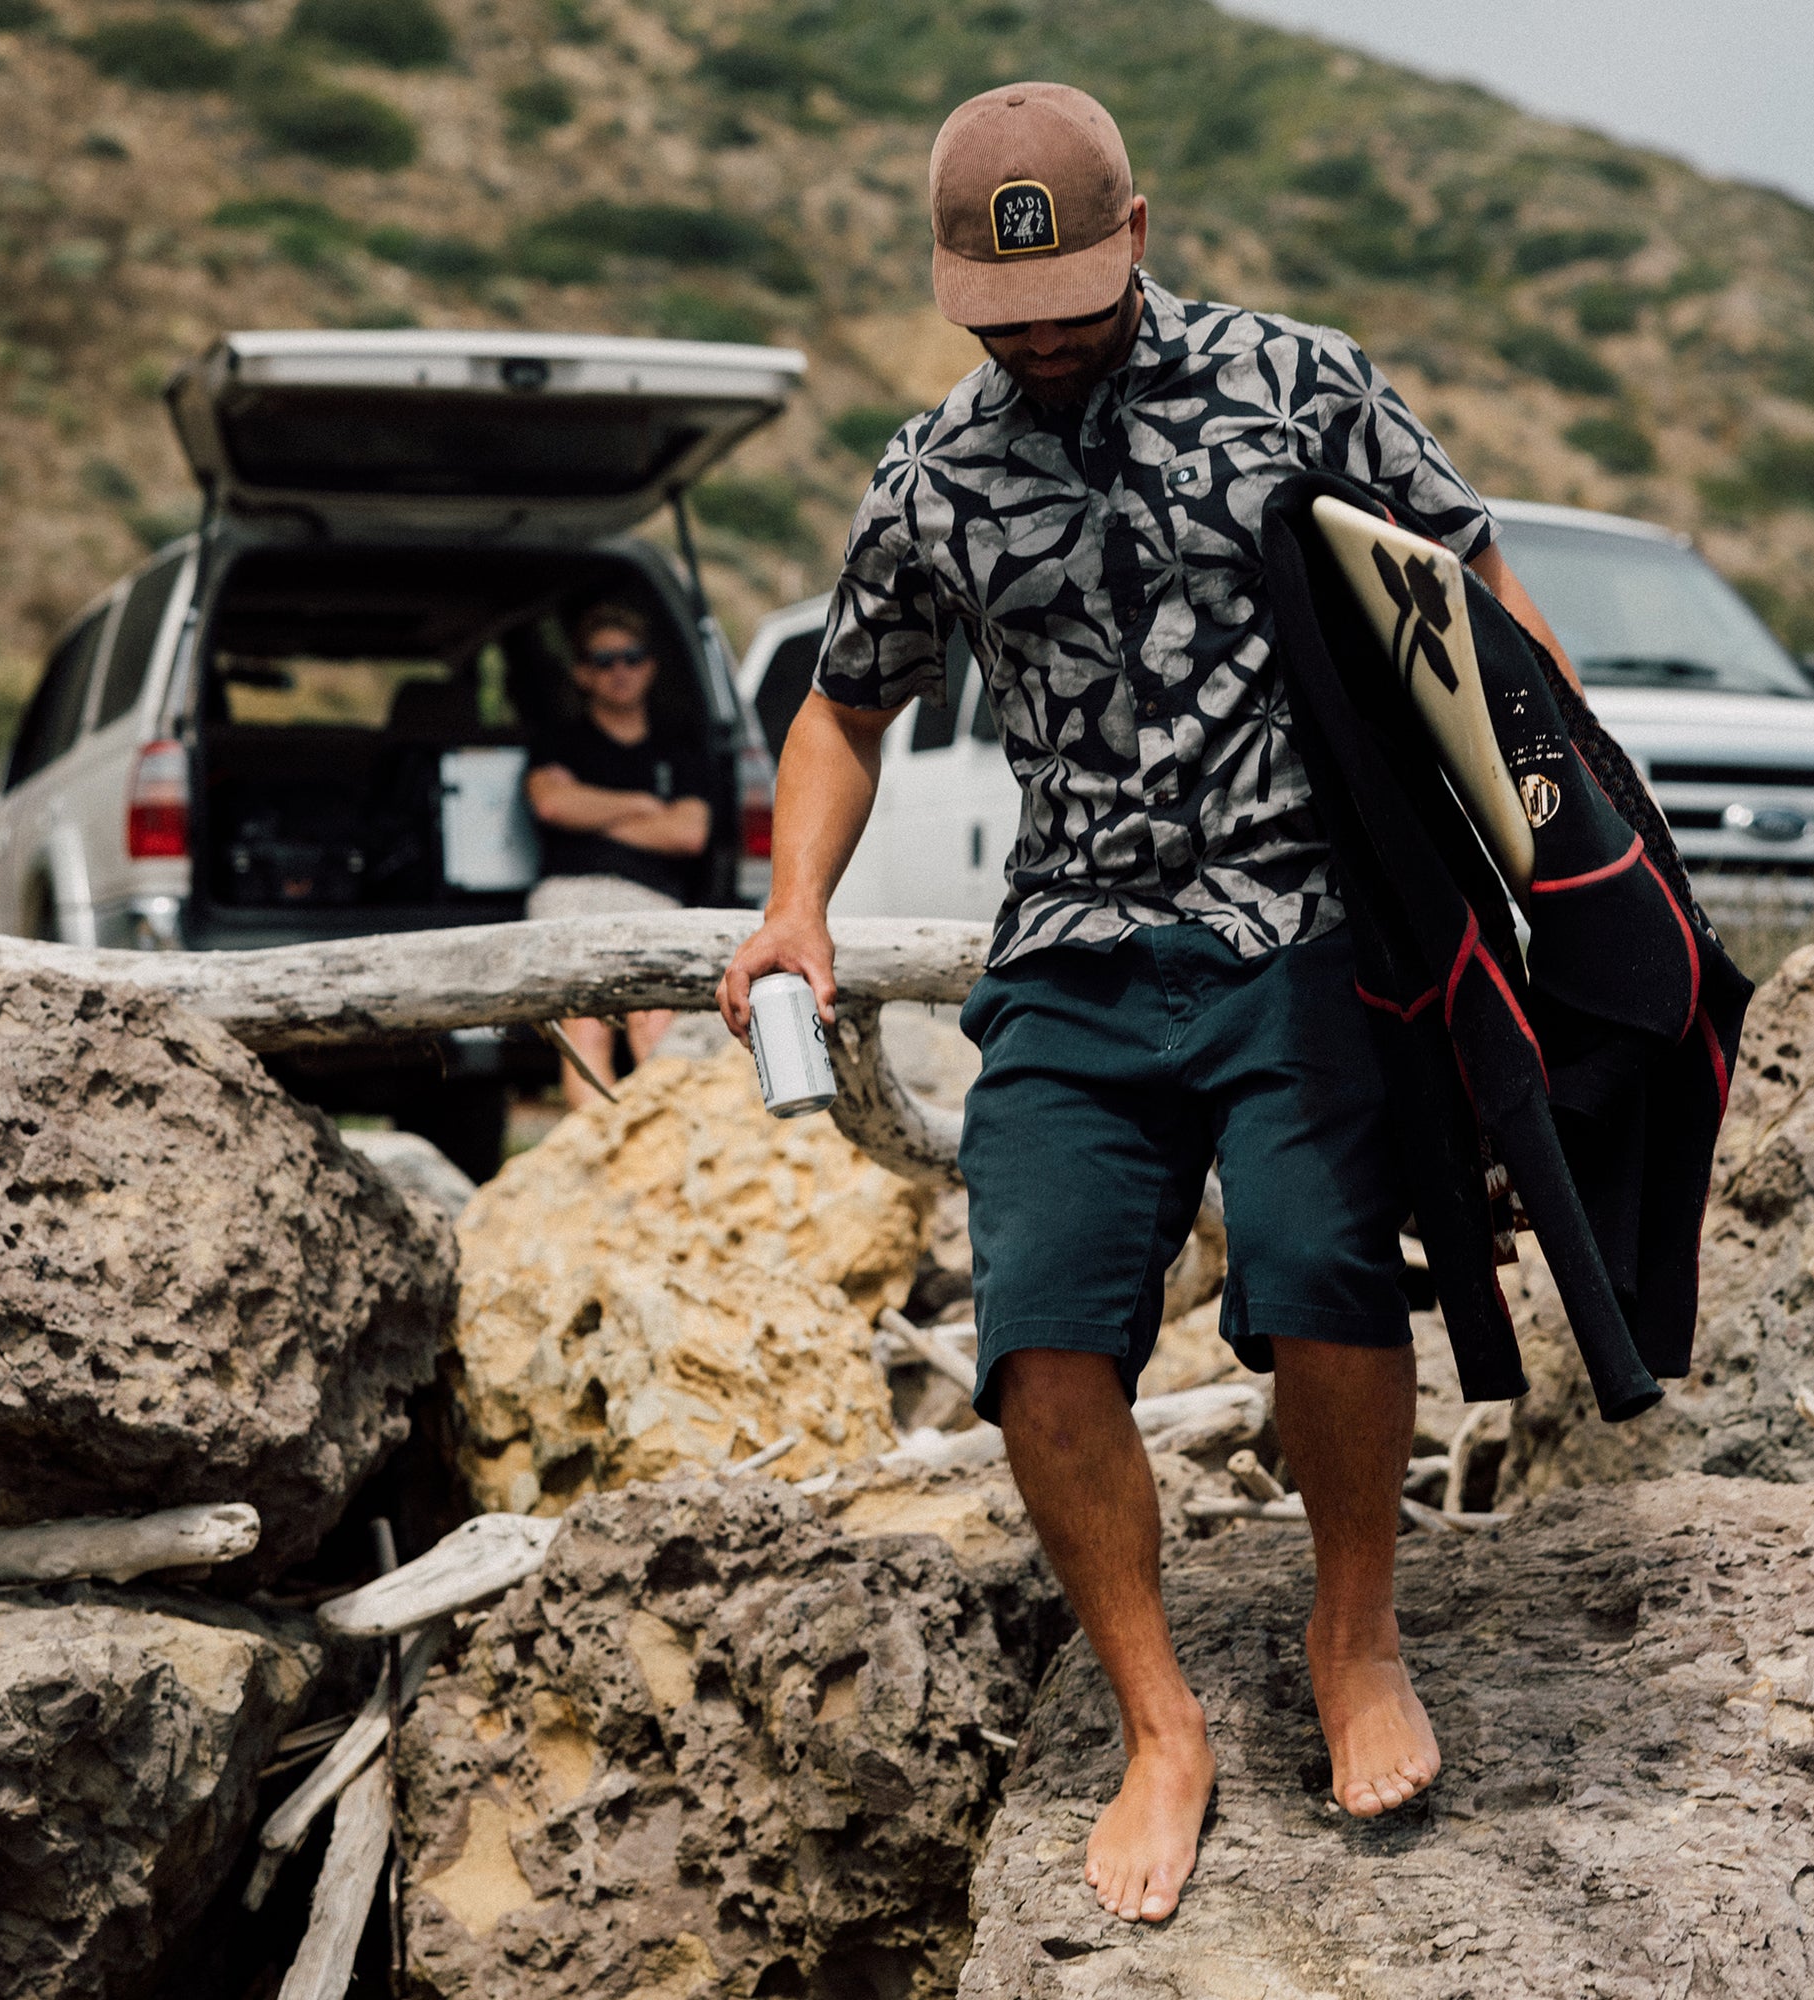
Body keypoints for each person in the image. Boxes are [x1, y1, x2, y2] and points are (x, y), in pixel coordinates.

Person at [719, 84, 1584, 1926]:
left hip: (1302, 924)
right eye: (1000, 318)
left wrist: (1552, 854)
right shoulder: (936, 471)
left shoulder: (1300, 382)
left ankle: (1355, 1641)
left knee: (1318, 1269)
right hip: (1075, 948)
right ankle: (1159, 1724)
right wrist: (795, 907)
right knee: (1038, 1328)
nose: (1038, 343)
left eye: (1073, 307)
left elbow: (1477, 595)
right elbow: (843, 705)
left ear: (1142, 231)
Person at [526, 601, 712, 1109]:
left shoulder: (680, 746)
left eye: (631, 657)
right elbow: (550, 803)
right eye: (604, 660)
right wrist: (641, 806)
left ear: (650, 666)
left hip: (650, 895)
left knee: (654, 1030)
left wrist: (591, 810)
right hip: (570, 894)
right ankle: (598, 1161)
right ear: (582, 673)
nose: (620, 671)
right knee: (586, 1035)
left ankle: (656, 1156)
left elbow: (689, 834)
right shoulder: (558, 738)